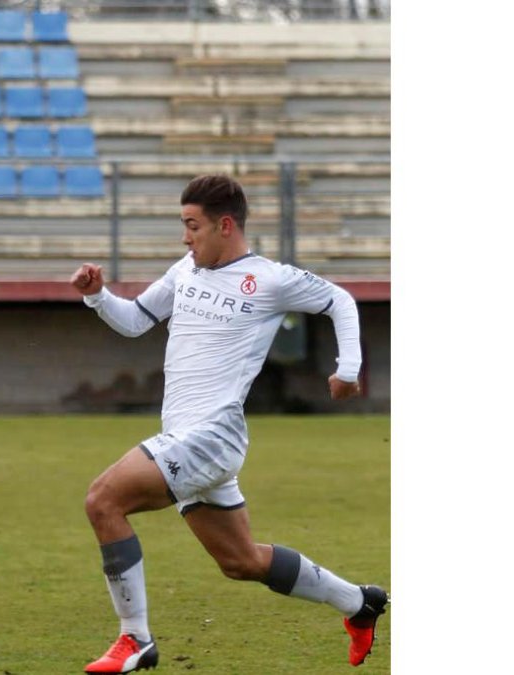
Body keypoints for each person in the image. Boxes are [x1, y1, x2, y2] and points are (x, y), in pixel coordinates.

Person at [71, 175, 387, 673]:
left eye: (191, 226)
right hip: (188, 438)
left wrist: (348, 370)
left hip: (210, 436)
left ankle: (135, 639)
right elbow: (134, 321)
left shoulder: (269, 278)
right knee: (241, 562)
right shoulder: (186, 271)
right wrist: (97, 296)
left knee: (103, 500)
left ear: (224, 225)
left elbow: (340, 301)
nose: (185, 237)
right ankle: (359, 602)